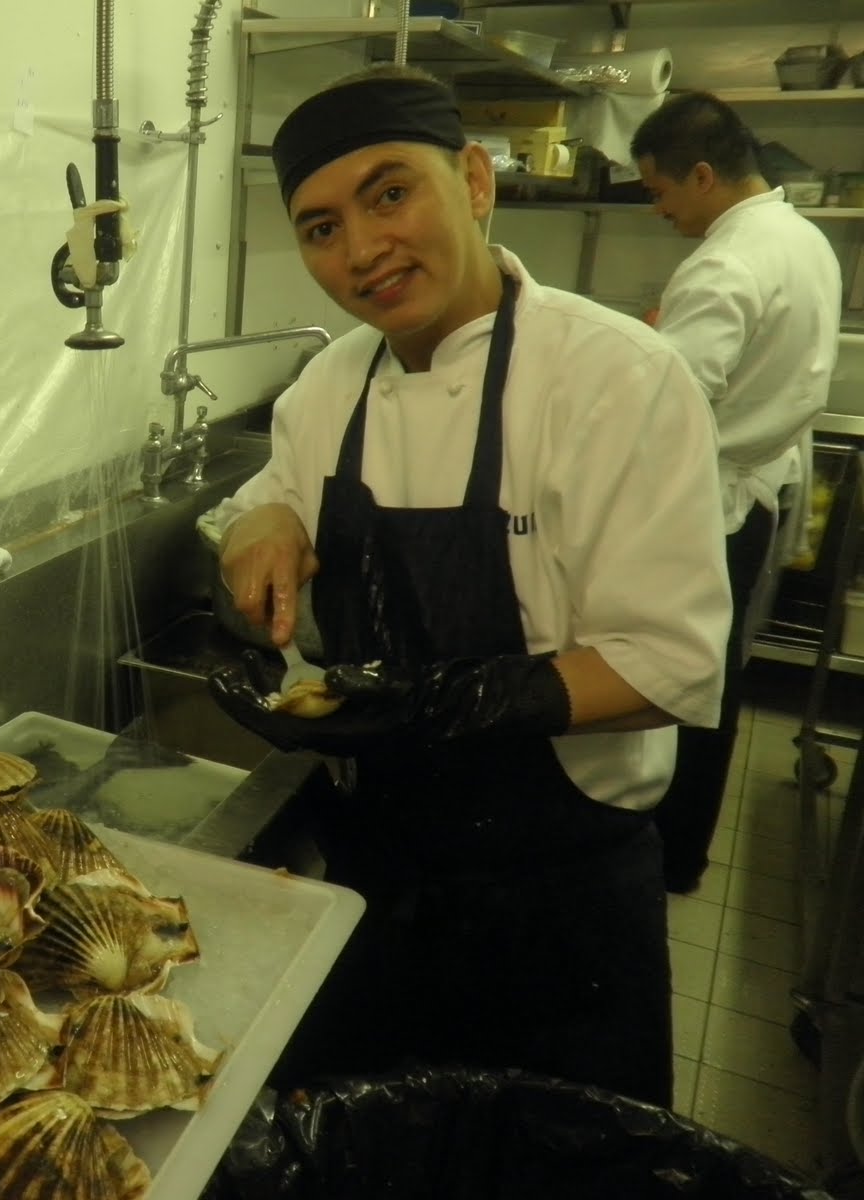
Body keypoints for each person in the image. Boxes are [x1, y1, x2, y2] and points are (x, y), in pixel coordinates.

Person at [205, 65, 732, 1109]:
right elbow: (269, 496)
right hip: (375, 871)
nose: (362, 250)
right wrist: (257, 524)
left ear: (476, 182)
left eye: (391, 194)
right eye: (321, 227)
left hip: (556, 897)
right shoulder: (329, 383)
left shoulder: (616, 378)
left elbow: (672, 664)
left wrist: (463, 699)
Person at [631, 93, 843, 895]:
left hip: (711, 507)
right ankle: (681, 851)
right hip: (758, 489)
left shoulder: (724, 264)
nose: (660, 211)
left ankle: (668, 855)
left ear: (702, 175)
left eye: (659, 192)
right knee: (713, 679)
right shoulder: (800, 237)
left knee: (683, 683)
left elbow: (671, 406)